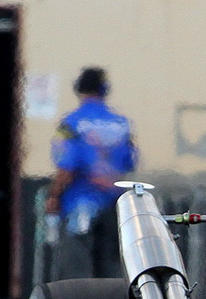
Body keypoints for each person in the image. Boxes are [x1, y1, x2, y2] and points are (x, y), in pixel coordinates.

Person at [45, 67, 137, 280]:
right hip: (115, 203)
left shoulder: (71, 123)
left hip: (80, 202)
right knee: (111, 268)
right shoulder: (122, 124)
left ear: (79, 89)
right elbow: (130, 163)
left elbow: (66, 167)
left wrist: (54, 196)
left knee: (77, 268)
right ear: (105, 89)